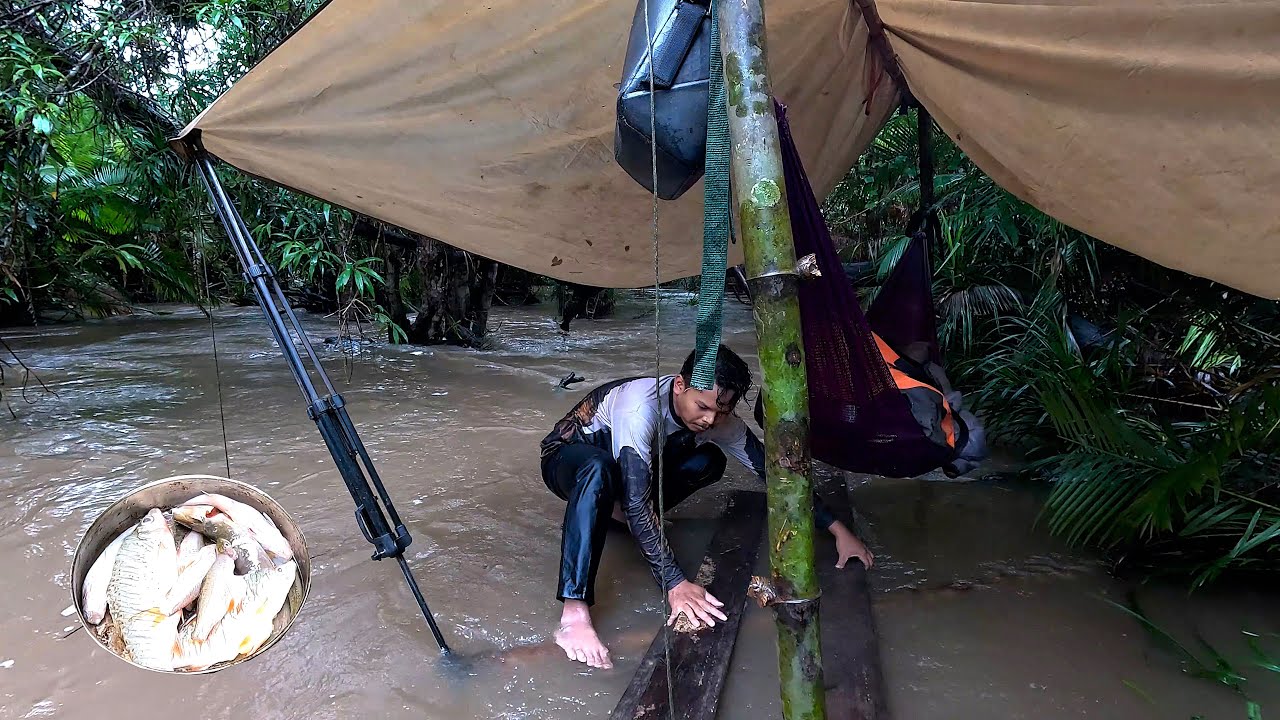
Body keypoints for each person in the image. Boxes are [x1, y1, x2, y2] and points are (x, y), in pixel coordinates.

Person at [538, 344, 874, 669]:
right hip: (570, 459)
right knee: (598, 470)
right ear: (679, 385)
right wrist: (675, 584)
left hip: (627, 477)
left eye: (721, 411)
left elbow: (776, 475)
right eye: (702, 406)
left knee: (708, 461)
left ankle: (618, 517)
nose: (710, 419)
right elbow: (638, 502)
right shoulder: (638, 409)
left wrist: (837, 528)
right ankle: (574, 615)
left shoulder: (717, 419)